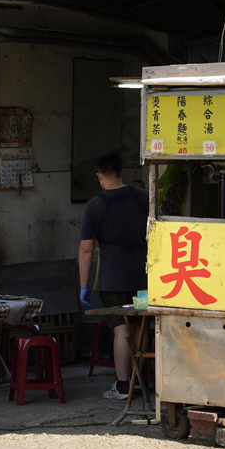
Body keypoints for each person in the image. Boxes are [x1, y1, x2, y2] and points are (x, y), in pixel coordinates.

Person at [78, 154, 149, 399]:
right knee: (140, 324)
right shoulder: (143, 198)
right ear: (123, 173)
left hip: (113, 277)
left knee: (121, 329)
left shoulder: (95, 206)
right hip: (143, 275)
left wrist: (84, 285)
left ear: (99, 176)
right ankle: (138, 381)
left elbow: (86, 249)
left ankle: (121, 385)